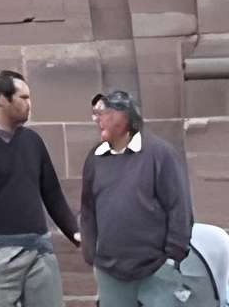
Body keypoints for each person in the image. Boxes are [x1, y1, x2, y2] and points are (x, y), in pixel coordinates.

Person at [0, 68, 78, 307]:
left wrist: (75, 232)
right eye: (23, 98)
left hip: (39, 251)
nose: (29, 104)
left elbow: (52, 193)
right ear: (3, 99)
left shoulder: (33, 142)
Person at [81, 87, 196, 307]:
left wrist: (172, 258)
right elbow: (88, 209)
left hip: (156, 270)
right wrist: (92, 253)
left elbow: (179, 208)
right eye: (95, 114)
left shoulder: (160, 154)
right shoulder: (95, 158)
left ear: (124, 116)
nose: (98, 120)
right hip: (110, 271)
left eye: (103, 113)